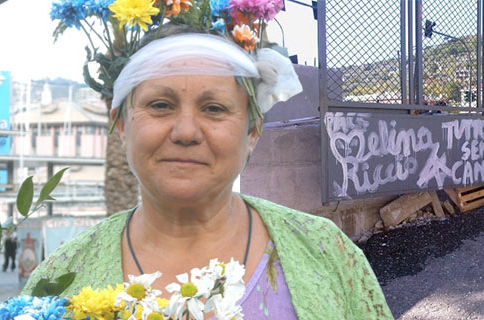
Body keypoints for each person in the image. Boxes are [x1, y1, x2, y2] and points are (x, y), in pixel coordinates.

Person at [21, 16, 392, 320]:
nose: (185, 132)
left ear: (252, 132)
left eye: (214, 108)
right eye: (160, 105)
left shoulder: (326, 253)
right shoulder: (57, 281)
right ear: (122, 124)